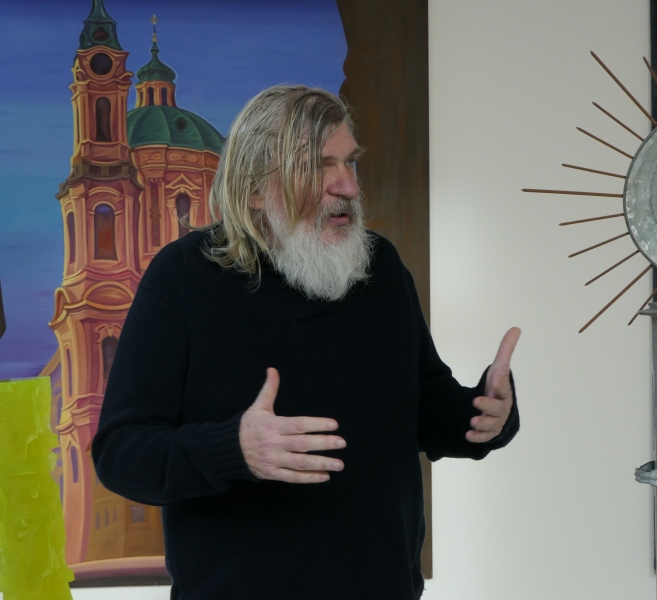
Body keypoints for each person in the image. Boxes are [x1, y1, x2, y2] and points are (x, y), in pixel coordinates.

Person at [92, 85, 520, 600]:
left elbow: (425, 408)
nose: (348, 186)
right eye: (319, 167)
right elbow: (121, 454)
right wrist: (234, 449)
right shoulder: (183, 278)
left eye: (350, 162)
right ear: (254, 189)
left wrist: (481, 414)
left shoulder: (380, 268)